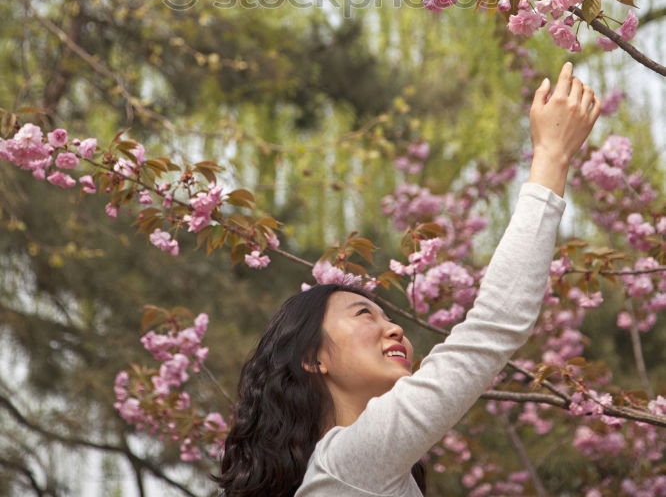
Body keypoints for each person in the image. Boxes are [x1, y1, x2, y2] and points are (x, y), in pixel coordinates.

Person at [216, 62, 601, 497]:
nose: (394, 327)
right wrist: (552, 157)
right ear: (313, 356)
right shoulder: (350, 461)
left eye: (385, 315)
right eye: (364, 313)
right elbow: (495, 324)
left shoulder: (358, 471)